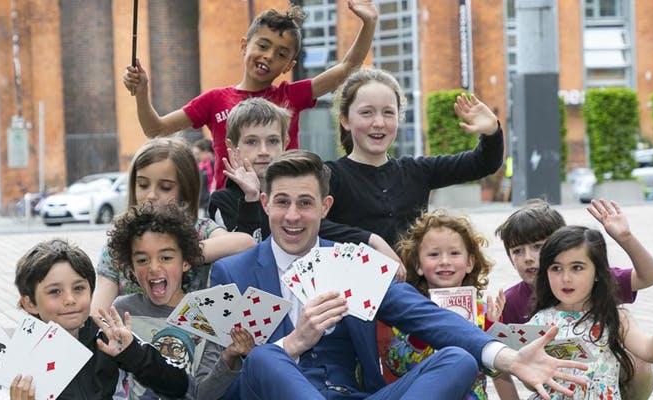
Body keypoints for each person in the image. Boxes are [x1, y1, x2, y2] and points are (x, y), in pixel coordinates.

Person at [206, 150, 587, 400]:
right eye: (283, 202)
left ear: (325, 207)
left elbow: (425, 315)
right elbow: (215, 388)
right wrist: (293, 343)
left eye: (305, 203)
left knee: (458, 360)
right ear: (267, 203)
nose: (292, 216)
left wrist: (508, 358)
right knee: (264, 359)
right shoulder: (232, 272)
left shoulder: (350, 263)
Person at [122, 1, 379, 190]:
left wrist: (369, 24)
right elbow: (155, 129)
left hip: (282, 200)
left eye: (281, 54)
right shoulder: (213, 100)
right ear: (245, 45)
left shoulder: (291, 95)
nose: (269, 56)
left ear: (289, 66)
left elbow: (347, 68)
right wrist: (142, 92)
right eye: (263, 45)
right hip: (230, 204)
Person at [493, 199, 653, 399]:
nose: (527, 257)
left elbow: (649, 276)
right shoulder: (511, 300)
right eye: (517, 251)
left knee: (640, 360)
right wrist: (493, 327)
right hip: (550, 379)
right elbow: (499, 363)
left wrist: (625, 238)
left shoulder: (593, 280)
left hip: (605, 373)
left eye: (537, 246)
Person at [208, 97, 402, 271]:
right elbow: (243, 259)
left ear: (285, 143)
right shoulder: (223, 200)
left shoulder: (303, 187)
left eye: (273, 141)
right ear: (233, 148)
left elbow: (323, 226)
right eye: (252, 142)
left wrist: (372, 239)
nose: (264, 151)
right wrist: (251, 199)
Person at [326, 68, 504, 247]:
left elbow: (483, 163)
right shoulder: (329, 176)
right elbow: (310, 225)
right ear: (345, 120)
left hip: (413, 276)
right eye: (367, 113)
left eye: (388, 112)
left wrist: (491, 131)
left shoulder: (416, 171)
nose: (379, 123)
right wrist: (368, 239)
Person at [526, 225, 653, 399]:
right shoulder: (540, 322)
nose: (566, 278)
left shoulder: (614, 317)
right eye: (556, 268)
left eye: (577, 267)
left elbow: (652, 352)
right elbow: (527, 379)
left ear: (597, 272)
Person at [5, 239, 190, 399]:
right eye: (55, 291)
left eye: (78, 288)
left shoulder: (108, 337)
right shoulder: (14, 359)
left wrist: (133, 354)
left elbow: (178, 385)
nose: (70, 300)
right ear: (30, 303)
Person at [91, 137, 255, 313]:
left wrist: (182, 252)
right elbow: (98, 312)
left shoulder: (201, 229)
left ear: (185, 190)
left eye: (165, 187)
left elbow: (246, 243)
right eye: (143, 185)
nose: (151, 195)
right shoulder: (120, 241)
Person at [108, 202, 247, 399]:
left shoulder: (210, 313)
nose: (154, 268)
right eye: (142, 260)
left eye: (165, 257)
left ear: (186, 261)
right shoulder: (122, 310)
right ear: (130, 267)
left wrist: (229, 357)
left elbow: (202, 395)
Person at [376, 210, 506, 399]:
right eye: (434, 254)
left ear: (470, 262)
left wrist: (492, 327)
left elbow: (496, 370)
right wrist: (420, 335)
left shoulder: (482, 311)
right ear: (418, 265)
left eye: (454, 253)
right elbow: (397, 364)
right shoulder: (410, 312)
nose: (445, 262)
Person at [193, 138, 215, 209]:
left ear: (206, 152)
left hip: (211, 201)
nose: (196, 157)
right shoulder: (200, 166)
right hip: (203, 203)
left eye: (198, 154)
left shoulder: (214, 164)